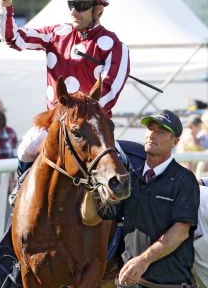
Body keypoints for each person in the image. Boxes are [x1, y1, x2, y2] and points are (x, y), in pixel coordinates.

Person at [0, 0, 130, 205]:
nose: (74, 11)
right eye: (71, 4)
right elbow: (13, 38)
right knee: (27, 147)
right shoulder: (55, 34)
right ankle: (20, 192)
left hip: (94, 129)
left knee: (121, 165)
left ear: (98, 9)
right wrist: (5, 4)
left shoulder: (115, 46)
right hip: (55, 123)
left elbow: (109, 92)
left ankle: (124, 225)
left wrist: (80, 116)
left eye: (81, 5)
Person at [81, 109, 200, 287]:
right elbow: (91, 218)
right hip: (129, 283)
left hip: (168, 285)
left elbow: (181, 231)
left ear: (175, 141)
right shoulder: (131, 179)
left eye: (161, 132)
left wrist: (143, 261)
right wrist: (91, 187)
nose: (152, 135)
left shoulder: (184, 180)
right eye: (150, 129)